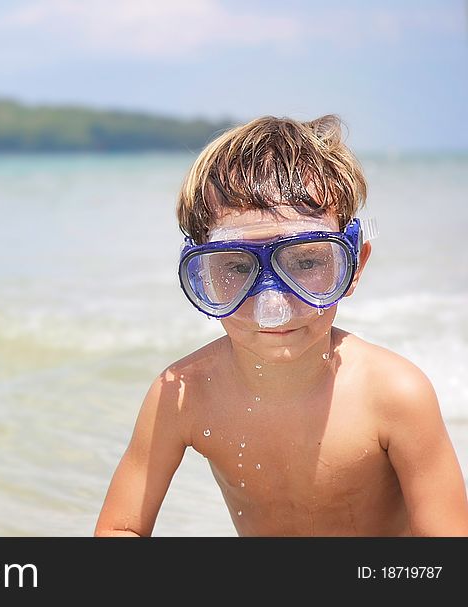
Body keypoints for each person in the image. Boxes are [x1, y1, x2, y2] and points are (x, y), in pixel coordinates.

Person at [94, 115, 468, 536]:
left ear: (353, 266)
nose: (272, 304)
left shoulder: (395, 396)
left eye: (306, 262)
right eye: (236, 267)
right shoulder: (183, 395)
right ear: (202, 277)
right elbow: (120, 529)